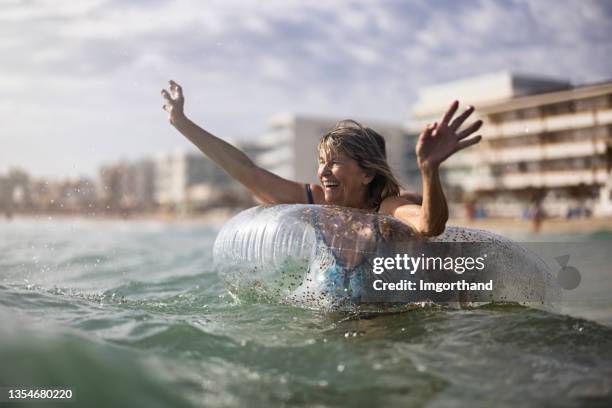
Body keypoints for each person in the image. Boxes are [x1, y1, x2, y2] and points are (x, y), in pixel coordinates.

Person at [161, 80, 482, 237]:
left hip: (383, 326)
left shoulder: (388, 209)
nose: (323, 171)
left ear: (367, 173)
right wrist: (182, 123)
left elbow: (430, 225)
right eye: (321, 161)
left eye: (335, 162)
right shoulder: (317, 203)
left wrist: (429, 169)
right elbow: (249, 172)